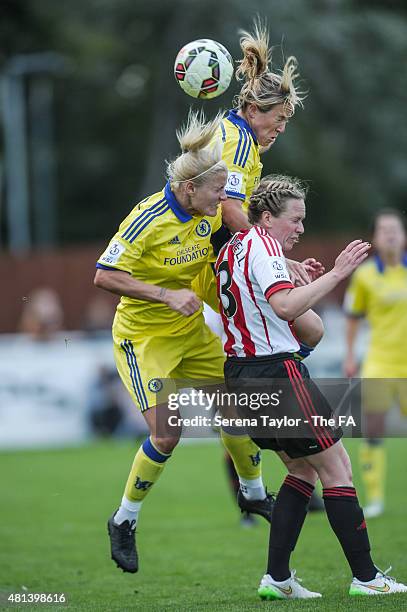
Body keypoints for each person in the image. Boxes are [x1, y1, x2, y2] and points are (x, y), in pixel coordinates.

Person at [94, 110, 274, 574]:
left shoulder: (205, 218)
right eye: (218, 191)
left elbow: (208, 275)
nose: (224, 200)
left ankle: (253, 495)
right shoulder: (148, 218)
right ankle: (123, 520)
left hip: (190, 332)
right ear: (189, 187)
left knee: (235, 407)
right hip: (144, 338)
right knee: (168, 433)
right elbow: (104, 275)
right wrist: (163, 295)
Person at [217, 174, 407, 599]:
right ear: (267, 217)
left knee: (301, 469)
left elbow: (294, 319)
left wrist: (298, 277)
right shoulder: (264, 247)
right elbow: (285, 307)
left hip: (242, 376)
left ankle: (277, 579)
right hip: (276, 374)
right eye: (296, 219)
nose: (301, 229)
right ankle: (367, 577)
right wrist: (337, 274)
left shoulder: (232, 248)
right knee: (337, 466)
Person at [194, 21, 325, 515]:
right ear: (253, 109)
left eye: (287, 120)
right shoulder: (239, 141)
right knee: (307, 330)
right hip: (220, 261)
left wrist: (278, 257)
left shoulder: (236, 134)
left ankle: (271, 422)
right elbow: (230, 209)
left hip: (228, 257)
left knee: (305, 332)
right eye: (278, 118)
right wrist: (270, 255)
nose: (281, 127)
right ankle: (268, 418)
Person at [343, 208, 407, 518]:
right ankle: (377, 499)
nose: (391, 234)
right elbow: (353, 318)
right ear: (375, 238)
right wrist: (350, 355)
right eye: (384, 230)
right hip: (380, 362)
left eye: (395, 228)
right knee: (374, 430)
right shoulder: (365, 275)